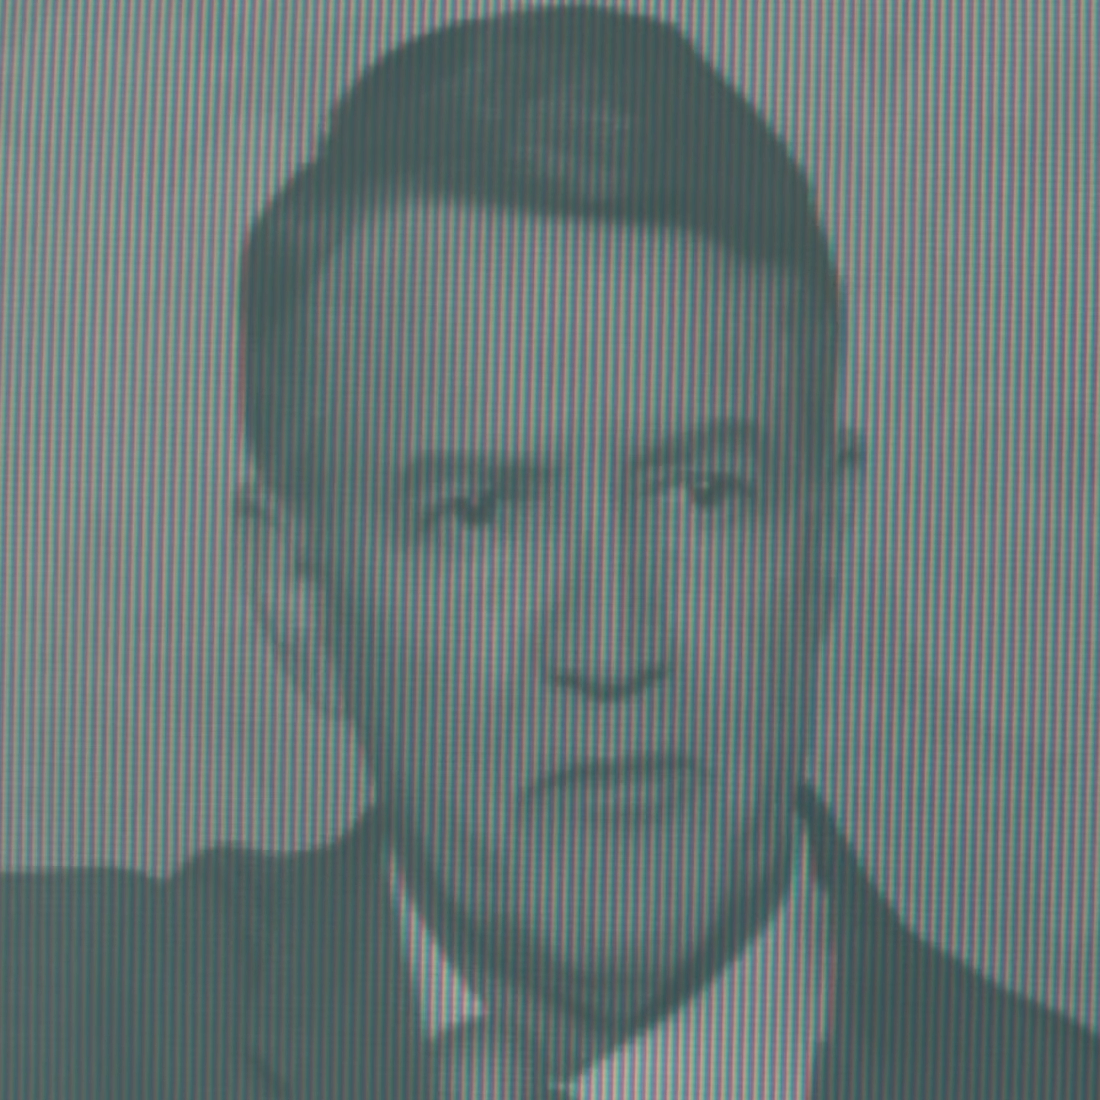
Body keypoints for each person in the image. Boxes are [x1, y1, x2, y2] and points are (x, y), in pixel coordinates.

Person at [1, 7, 1096, 1098]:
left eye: (704, 495)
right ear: (303, 599)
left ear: (824, 540)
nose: (610, 645)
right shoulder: (44, 1022)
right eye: (477, 512)